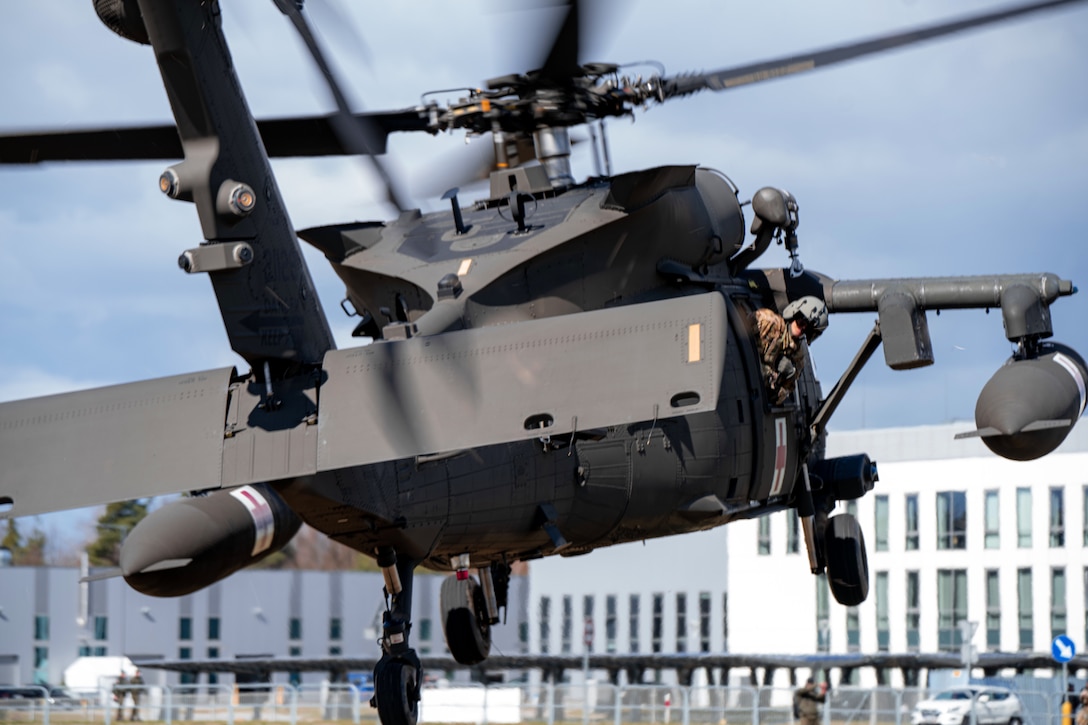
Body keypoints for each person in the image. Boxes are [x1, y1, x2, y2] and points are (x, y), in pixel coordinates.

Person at [750, 296, 828, 404]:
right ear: (794, 314)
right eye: (801, 322)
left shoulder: (798, 356)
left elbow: (783, 393)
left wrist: (783, 378)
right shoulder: (767, 321)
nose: (802, 329)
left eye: (807, 329)